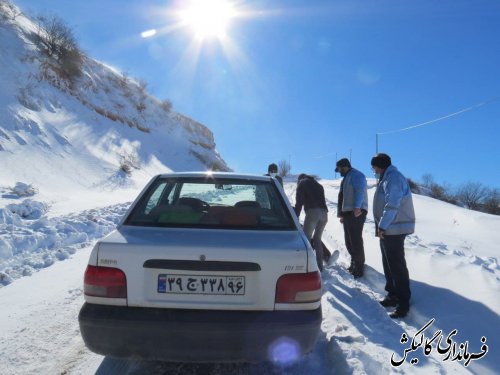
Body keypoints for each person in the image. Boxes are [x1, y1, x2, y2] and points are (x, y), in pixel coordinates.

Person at [371, 153, 415, 319]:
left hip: (394, 228)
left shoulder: (393, 178)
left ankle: (403, 302)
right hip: (388, 228)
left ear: (380, 166)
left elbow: (392, 204)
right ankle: (392, 295)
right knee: (388, 263)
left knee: (396, 265)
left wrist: (382, 225)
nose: (374, 170)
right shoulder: (386, 178)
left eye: (374, 167)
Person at [335, 158, 368, 278]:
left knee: (355, 240)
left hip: (357, 212)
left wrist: (357, 207)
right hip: (348, 213)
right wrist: (342, 214)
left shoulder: (357, 175)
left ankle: (359, 268)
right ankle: (353, 263)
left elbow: (359, 191)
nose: (339, 172)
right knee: (349, 240)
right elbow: (342, 196)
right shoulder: (346, 178)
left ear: (344, 166)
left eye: (339, 170)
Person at [294, 174, 328, 270]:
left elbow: (299, 202)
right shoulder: (318, 185)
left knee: (306, 240)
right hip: (324, 214)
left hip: (313, 213)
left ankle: (308, 266)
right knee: (317, 239)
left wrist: (295, 216)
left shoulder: (302, 183)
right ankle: (320, 266)